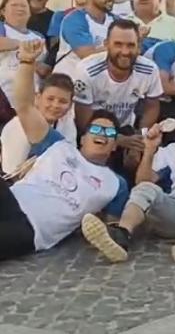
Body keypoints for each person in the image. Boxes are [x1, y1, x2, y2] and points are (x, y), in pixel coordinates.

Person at [0, 40, 128, 262]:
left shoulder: (116, 183)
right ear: (83, 137)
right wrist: (28, 62)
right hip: (11, 200)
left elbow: (112, 224)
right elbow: (24, 106)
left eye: (110, 134)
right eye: (96, 129)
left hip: (34, 230)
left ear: (115, 145)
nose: (102, 135)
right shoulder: (57, 145)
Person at [79, 101, 175, 264]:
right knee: (145, 188)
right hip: (173, 211)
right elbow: (142, 183)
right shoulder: (168, 151)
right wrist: (150, 150)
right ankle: (120, 236)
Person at [72, 20, 163, 186]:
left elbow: (152, 106)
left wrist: (139, 141)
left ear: (139, 46)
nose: (125, 51)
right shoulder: (87, 70)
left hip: (127, 128)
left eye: (131, 45)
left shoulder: (150, 69)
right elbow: (82, 120)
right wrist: (115, 139)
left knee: (141, 170)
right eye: (118, 44)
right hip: (94, 129)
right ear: (106, 44)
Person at [1, 73, 76, 173]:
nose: (55, 105)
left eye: (63, 101)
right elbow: (11, 174)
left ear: (70, 105)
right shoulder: (19, 127)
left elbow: (70, 161)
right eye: (50, 99)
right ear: (38, 98)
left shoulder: (66, 123)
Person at [55, 0, 119, 78]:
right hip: (69, 85)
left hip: (98, 84)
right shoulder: (74, 20)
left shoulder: (117, 21)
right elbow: (89, 56)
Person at [0, 0, 45, 125]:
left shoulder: (38, 36)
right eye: (14, 5)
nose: (19, 8)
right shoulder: (2, 28)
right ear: (3, 11)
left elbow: (43, 67)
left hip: (32, 100)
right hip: (4, 97)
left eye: (24, 6)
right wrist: (22, 45)